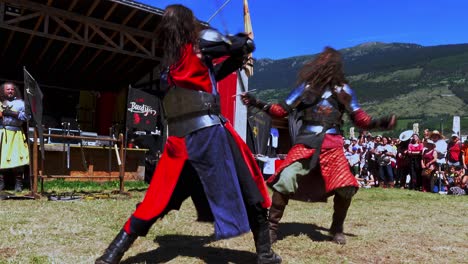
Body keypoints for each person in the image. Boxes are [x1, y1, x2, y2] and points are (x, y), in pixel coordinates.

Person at [96, 5, 281, 264]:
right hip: (209, 137)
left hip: (180, 142)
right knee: (250, 186)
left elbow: (207, 77)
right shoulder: (201, 43)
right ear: (188, 24)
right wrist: (244, 44)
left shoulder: (170, 66)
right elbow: (237, 45)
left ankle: (111, 255)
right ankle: (265, 253)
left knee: (156, 199)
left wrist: (233, 61)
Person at [241, 47, 396, 245]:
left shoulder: (344, 92)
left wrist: (381, 123)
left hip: (332, 145)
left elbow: (361, 119)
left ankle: (336, 228)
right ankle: (271, 228)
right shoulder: (305, 88)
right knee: (286, 179)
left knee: (346, 186)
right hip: (306, 143)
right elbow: (280, 110)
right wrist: (256, 102)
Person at [0, 82, 30, 192]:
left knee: (18, 158)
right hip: (2, 133)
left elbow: (27, 117)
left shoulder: (21, 104)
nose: (10, 91)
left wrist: (13, 113)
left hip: (16, 133)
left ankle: (18, 184)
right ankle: (1, 183)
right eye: (7, 89)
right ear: (3, 91)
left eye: (12, 89)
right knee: (1, 158)